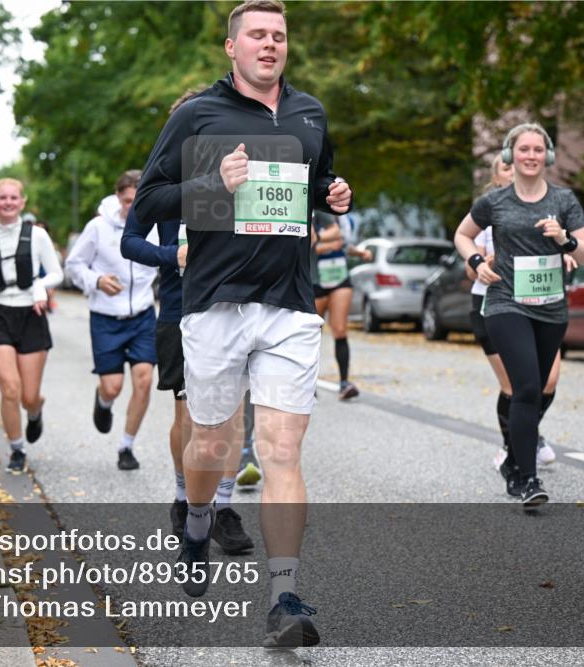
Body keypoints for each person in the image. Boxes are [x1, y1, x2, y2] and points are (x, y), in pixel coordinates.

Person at [134, 0, 352, 647]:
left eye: (279, 35)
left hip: (289, 302)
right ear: (231, 47)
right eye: (256, 34)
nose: (269, 44)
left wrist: (335, 194)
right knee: (211, 444)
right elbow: (148, 204)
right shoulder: (198, 115)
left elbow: (318, 185)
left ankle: (284, 595)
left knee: (283, 448)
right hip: (215, 302)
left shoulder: (310, 113)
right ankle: (197, 521)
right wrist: (211, 182)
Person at [121, 86, 255, 554]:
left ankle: (222, 505)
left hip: (232, 307)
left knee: (232, 413)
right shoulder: (162, 187)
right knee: (190, 415)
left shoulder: (239, 177)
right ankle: (184, 498)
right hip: (179, 310)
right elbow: (130, 242)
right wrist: (172, 255)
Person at [454, 123, 584, 508]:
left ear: (546, 156)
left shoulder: (564, 200)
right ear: (509, 156)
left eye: (537, 150)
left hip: (550, 308)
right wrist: (477, 261)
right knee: (528, 386)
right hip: (505, 303)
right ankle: (529, 479)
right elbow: (462, 235)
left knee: (541, 387)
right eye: (523, 149)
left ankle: (513, 462)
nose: (530, 156)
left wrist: (564, 238)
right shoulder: (494, 201)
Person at [467, 155, 565, 471]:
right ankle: (513, 449)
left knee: (547, 382)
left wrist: (566, 254)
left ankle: (527, 433)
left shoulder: (544, 209)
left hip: (537, 304)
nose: (515, 171)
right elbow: (471, 267)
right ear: (496, 179)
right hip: (492, 306)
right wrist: (489, 262)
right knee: (515, 386)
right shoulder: (487, 214)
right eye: (506, 168)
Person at [0, 178, 63, 473]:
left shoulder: (37, 236)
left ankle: (35, 411)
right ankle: (17, 450)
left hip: (30, 316)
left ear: (22, 202)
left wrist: (39, 287)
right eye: (2, 198)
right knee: (10, 388)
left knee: (28, 396)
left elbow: (56, 273)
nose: (7, 202)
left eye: (13, 198)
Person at [65, 170, 159, 472]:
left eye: (139, 199)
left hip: (143, 314)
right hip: (106, 317)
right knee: (113, 387)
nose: (134, 206)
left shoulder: (157, 226)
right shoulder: (98, 227)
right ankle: (103, 400)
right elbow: (74, 264)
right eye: (128, 200)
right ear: (118, 197)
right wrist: (96, 280)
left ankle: (126, 447)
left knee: (144, 380)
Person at [311, 212, 370, 400]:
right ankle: (307, 384)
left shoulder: (340, 220)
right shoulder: (309, 211)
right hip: (315, 280)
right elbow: (304, 246)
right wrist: (325, 245)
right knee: (311, 333)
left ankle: (344, 383)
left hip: (339, 276)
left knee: (340, 329)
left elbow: (341, 244)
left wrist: (360, 252)